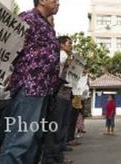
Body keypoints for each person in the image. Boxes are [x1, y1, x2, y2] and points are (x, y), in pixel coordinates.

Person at [0, 0, 60, 164]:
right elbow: (10, 47)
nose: (57, 3)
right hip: (29, 85)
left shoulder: (48, 27)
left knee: (34, 138)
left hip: (44, 88)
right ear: (42, 0)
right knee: (20, 137)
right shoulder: (27, 18)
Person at [41, 35, 74, 164]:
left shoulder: (66, 57)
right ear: (61, 45)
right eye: (69, 44)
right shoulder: (61, 55)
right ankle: (52, 155)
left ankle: (58, 154)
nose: (71, 46)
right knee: (57, 126)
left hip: (65, 94)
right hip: (59, 94)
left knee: (62, 125)